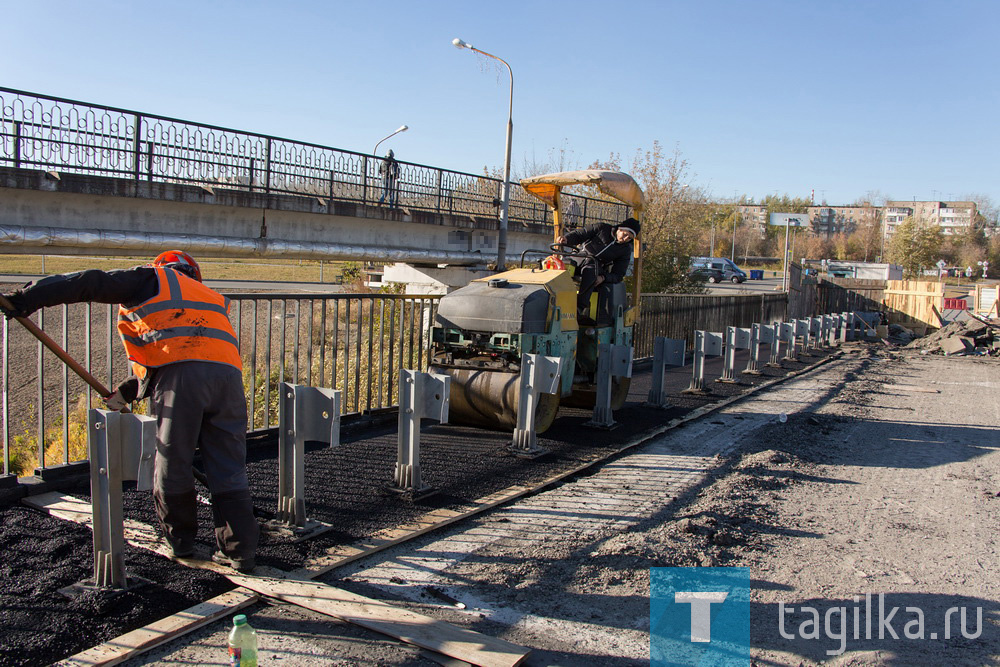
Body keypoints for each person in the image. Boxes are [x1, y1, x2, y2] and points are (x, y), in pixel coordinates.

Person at [1, 251, 259, 573]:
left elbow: (89, 283)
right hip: (229, 381)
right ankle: (241, 551)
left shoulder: (152, 279)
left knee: (172, 461)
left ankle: (181, 542)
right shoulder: (210, 298)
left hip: (181, 382)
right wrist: (126, 393)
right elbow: (186, 349)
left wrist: (26, 298)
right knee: (228, 467)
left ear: (161, 267)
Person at [556, 217, 641, 320]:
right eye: (626, 234)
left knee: (591, 271)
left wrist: (603, 278)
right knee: (558, 265)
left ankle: (577, 309)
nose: (626, 239)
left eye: (630, 238)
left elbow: (618, 274)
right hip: (580, 258)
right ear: (620, 228)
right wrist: (567, 238)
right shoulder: (601, 228)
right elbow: (580, 234)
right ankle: (553, 303)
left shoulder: (625, 250)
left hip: (596, 266)